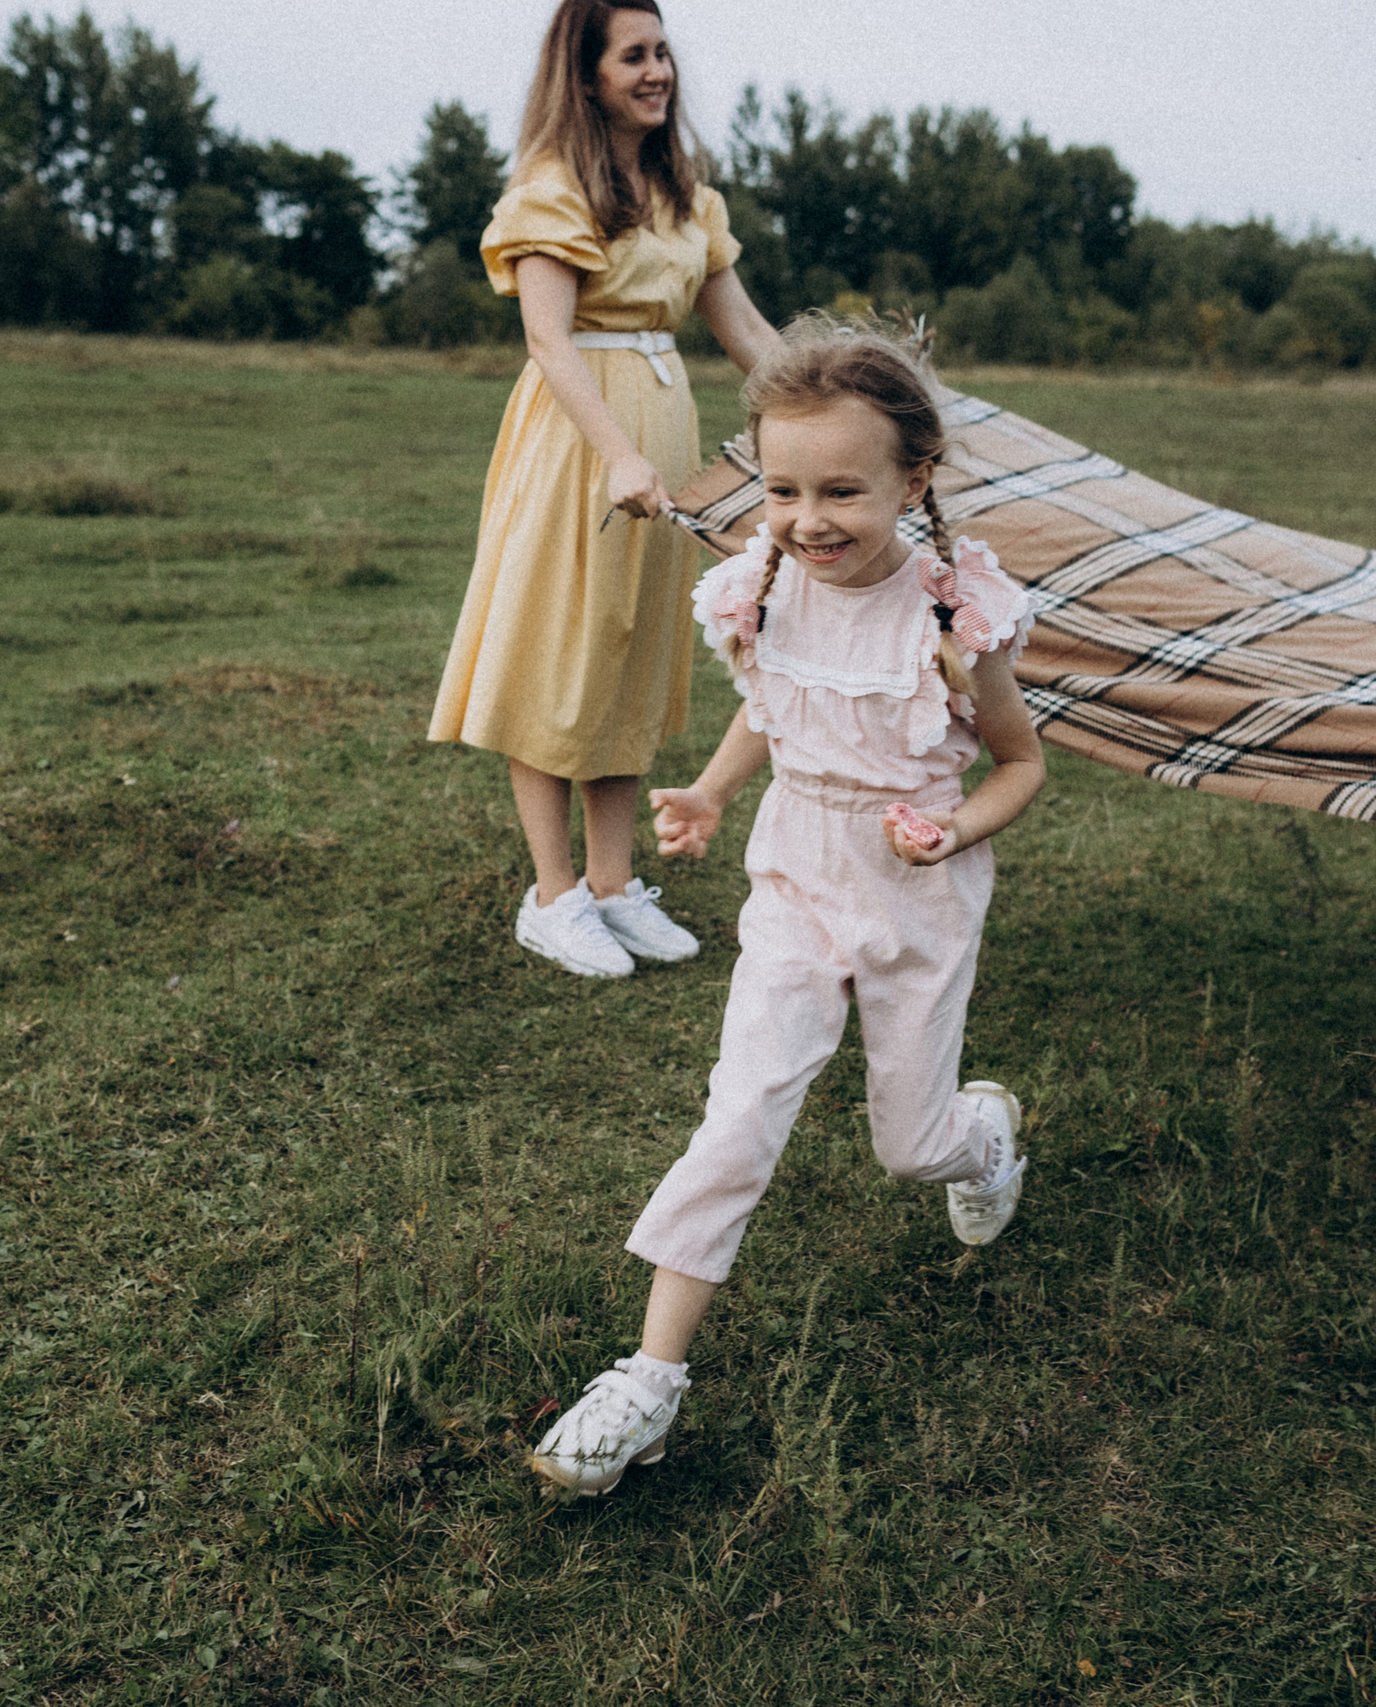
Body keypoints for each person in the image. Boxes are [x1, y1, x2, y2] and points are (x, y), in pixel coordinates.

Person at [528, 320, 1047, 1494]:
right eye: (782, 489)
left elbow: (1020, 764)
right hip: (795, 879)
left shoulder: (954, 614)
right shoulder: (759, 587)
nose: (807, 520)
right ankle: (649, 1382)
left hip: (915, 894)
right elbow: (774, 706)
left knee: (906, 1148)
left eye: (841, 491)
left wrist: (955, 829)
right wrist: (712, 793)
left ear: (914, 479)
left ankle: (979, 1138)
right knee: (739, 1116)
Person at [429, 0, 781, 979]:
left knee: (628, 649)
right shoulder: (552, 188)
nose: (657, 70)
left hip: (662, 433)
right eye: (633, 56)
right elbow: (548, 340)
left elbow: (748, 333)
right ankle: (554, 897)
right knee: (558, 647)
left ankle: (615, 883)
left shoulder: (684, 196)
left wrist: (844, 407)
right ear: (586, 76)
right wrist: (619, 454)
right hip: (579, 438)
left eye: (662, 51)